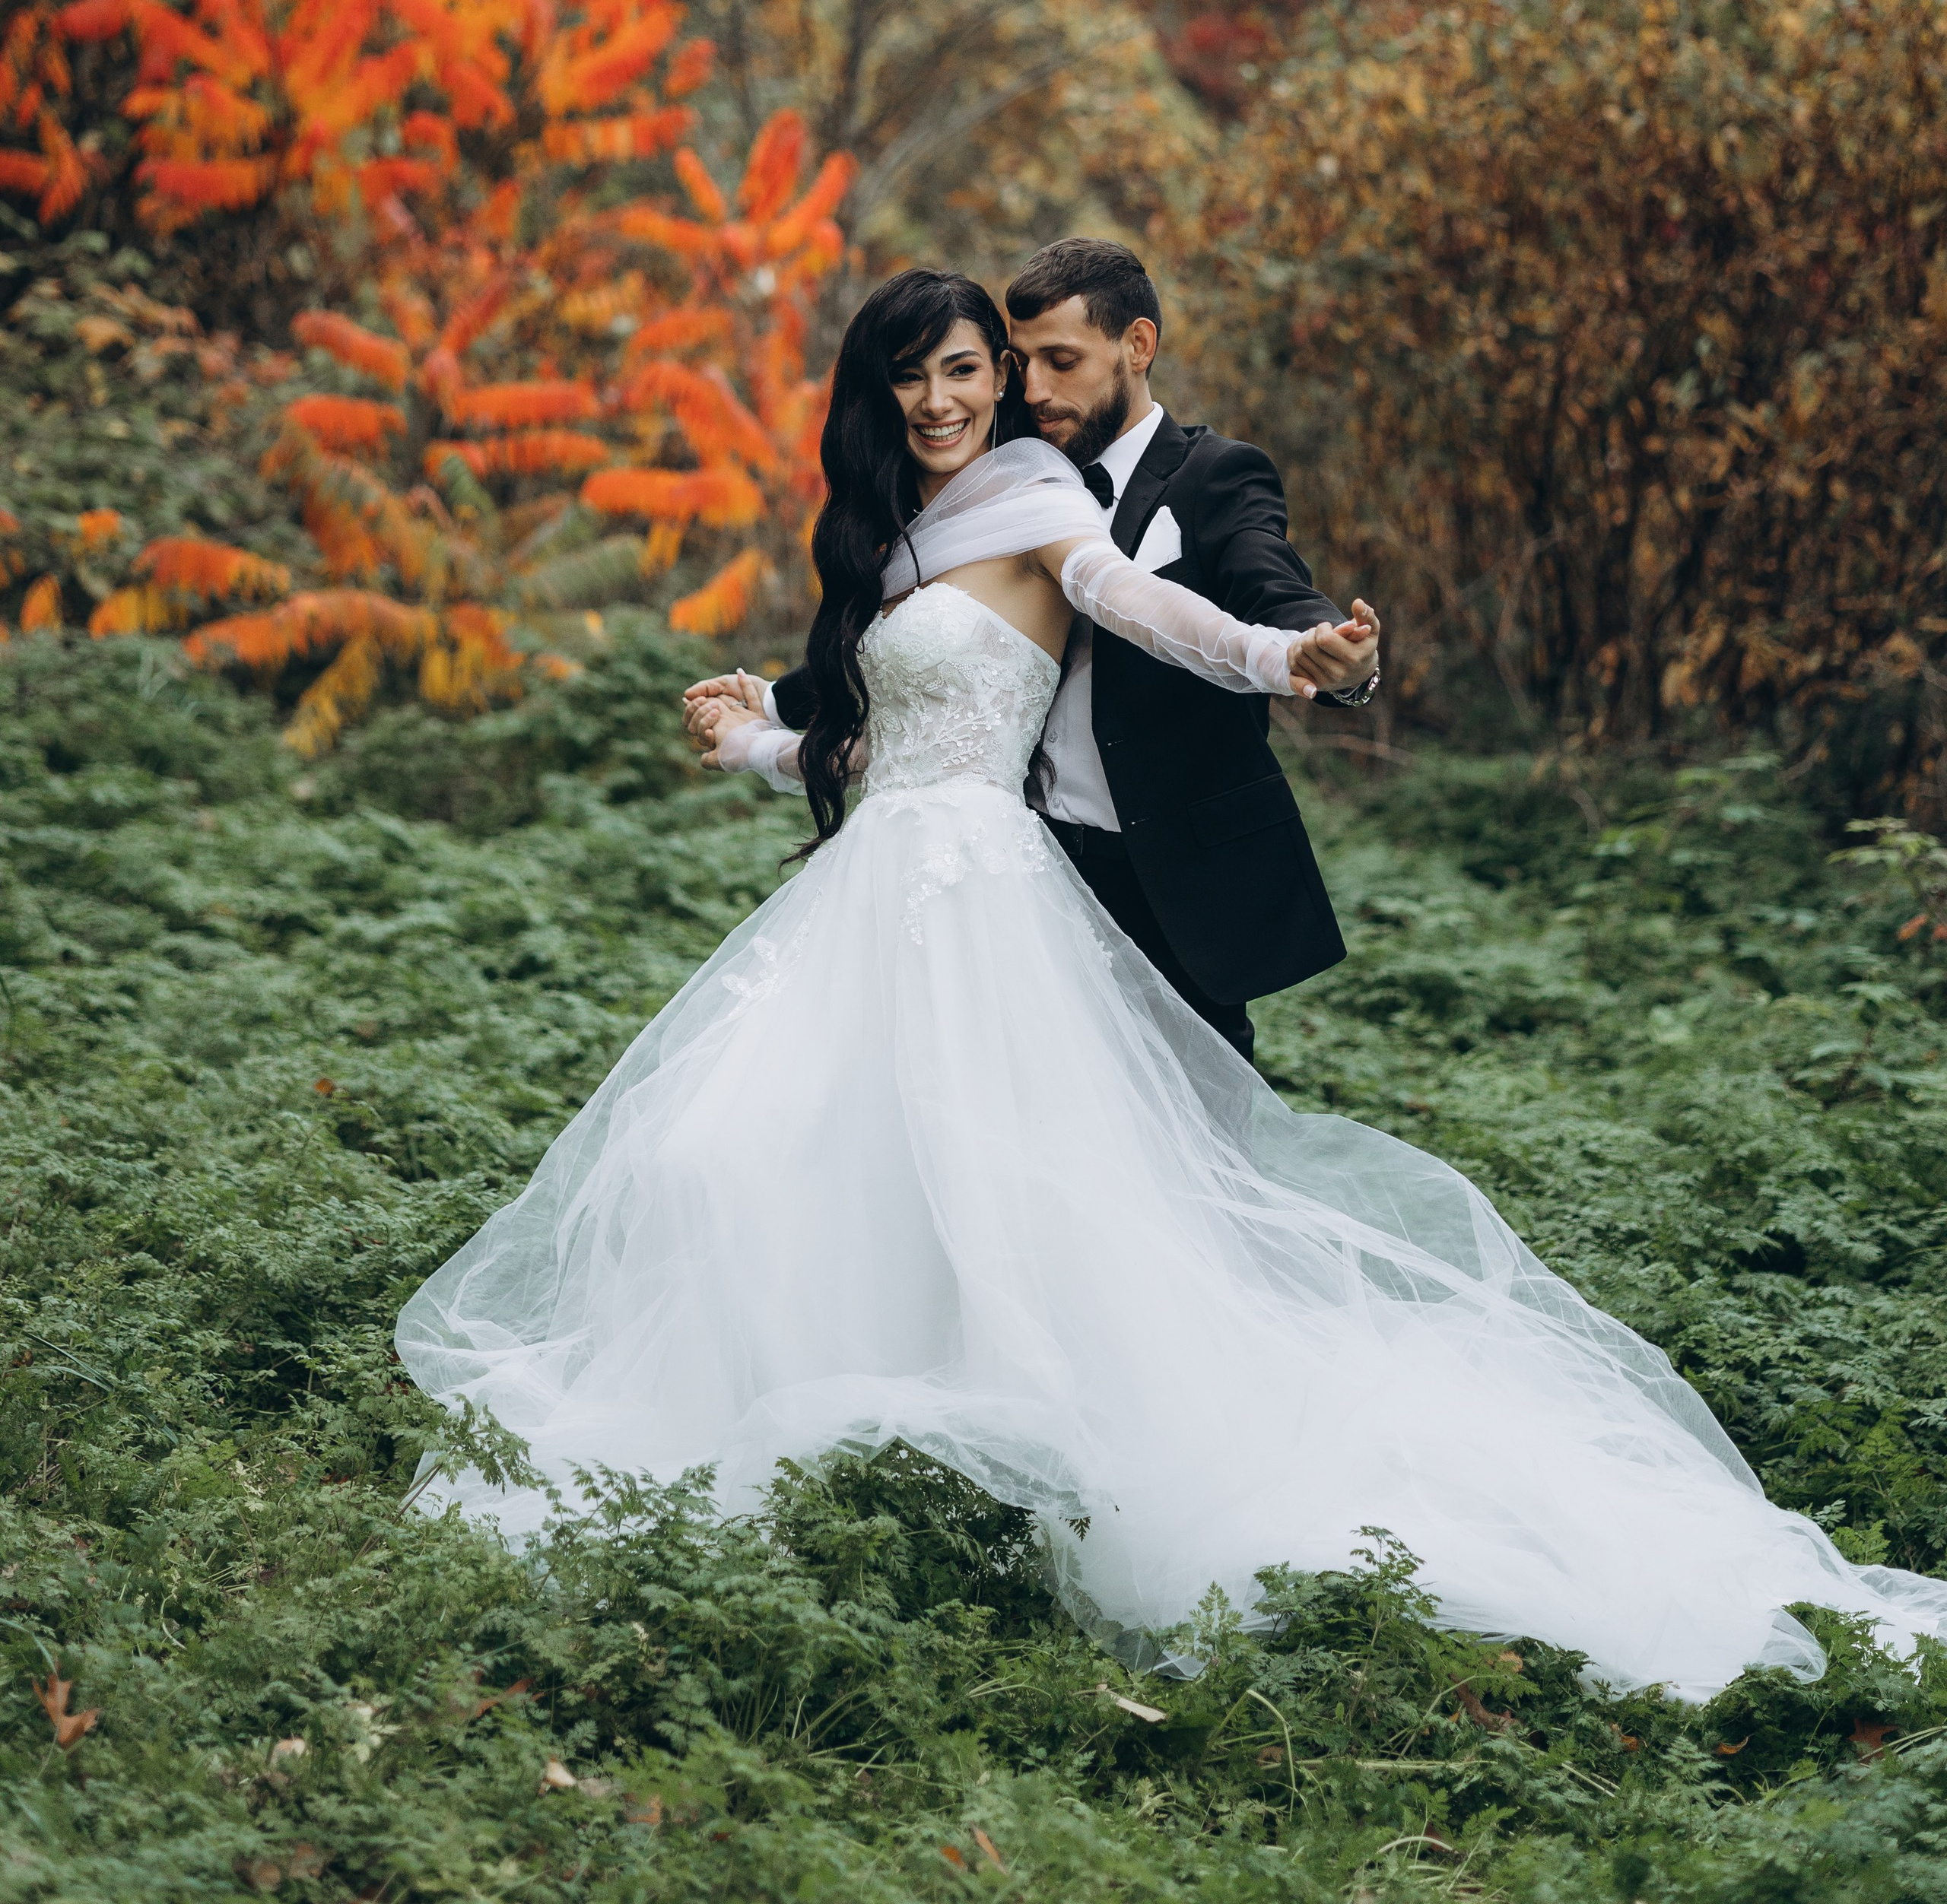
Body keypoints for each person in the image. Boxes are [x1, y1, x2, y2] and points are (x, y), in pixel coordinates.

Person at [396, 267, 1947, 1701]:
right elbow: (872, 749)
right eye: (907, 381)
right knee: (755, 1158)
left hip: (981, 908)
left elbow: (1151, 611)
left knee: (1011, 1197)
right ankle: (829, 1467)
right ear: (870, 399)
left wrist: (1293, 661)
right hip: (873, 891)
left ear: (997, 382)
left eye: (959, 374)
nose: (937, 403)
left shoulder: (1036, 504)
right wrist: (748, 734)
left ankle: (1030, 1483)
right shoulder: (881, 537)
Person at [686, 237, 1380, 1062]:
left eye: (1057, 361)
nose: (1036, 388)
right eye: (1024, 363)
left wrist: (1299, 652)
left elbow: (1180, 596)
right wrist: (758, 721)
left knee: (1182, 1127)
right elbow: (917, 714)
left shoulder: (1174, 483)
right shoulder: (944, 513)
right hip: (1020, 858)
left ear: (1137, 346)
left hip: (1162, 867)